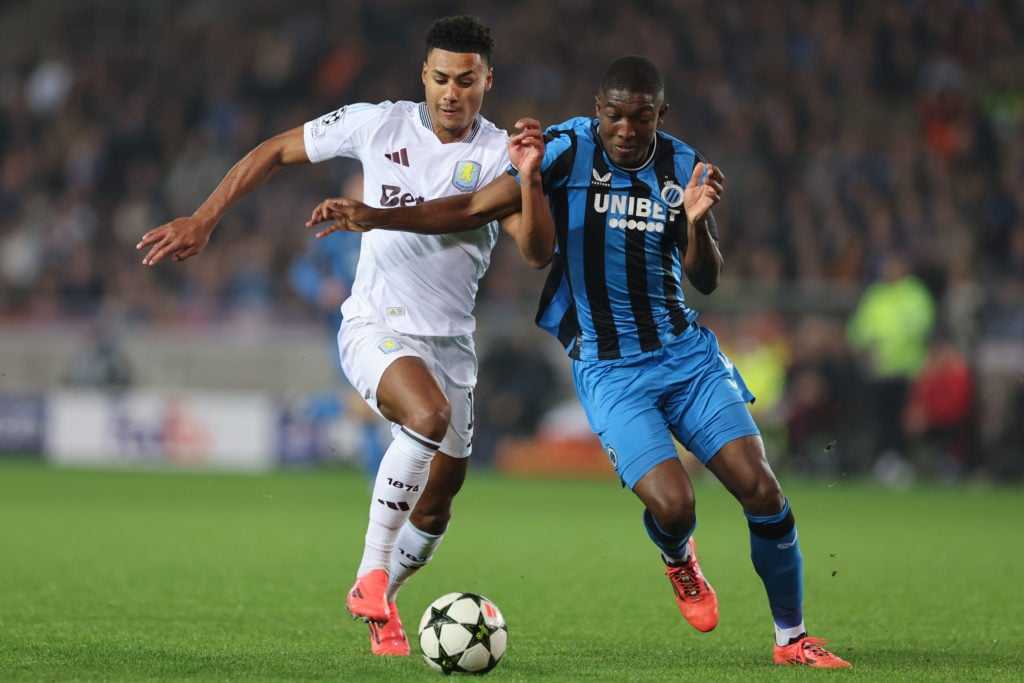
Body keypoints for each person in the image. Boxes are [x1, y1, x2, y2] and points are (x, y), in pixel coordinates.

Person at [311, 55, 851, 668]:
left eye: (641, 118)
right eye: (615, 116)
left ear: (660, 116)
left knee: (761, 490)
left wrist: (697, 225)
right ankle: (678, 557)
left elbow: (708, 279)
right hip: (610, 367)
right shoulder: (564, 149)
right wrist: (388, 214)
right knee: (676, 507)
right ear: (597, 112)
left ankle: (792, 638)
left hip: (686, 356)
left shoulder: (683, 166)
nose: (626, 129)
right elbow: (472, 209)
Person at [137, 15, 553, 657]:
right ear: (424, 74)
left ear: (487, 81)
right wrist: (206, 215)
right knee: (428, 417)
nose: (451, 92)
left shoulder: (502, 152)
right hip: (374, 326)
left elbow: (522, 244)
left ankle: (385, 599)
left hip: (451, 345)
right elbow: (274, 149)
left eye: (465, 81)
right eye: (440, 77)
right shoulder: (375, 122)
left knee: (438, 505)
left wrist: (529, 180)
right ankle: (370, 576)